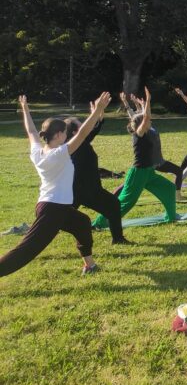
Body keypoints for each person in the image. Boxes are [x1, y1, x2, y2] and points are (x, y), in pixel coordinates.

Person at [1, 93, 110, 278]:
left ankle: (90, 266)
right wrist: (98, 110)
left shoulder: (38, 151)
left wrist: (25, 109)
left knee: (82, 223)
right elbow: (83, 133)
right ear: (58, 135)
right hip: (53, 210)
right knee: (26, 250)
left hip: (52, 206)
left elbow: (32, 132)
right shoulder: (60, 154)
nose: (67, 136)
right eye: (65, 134)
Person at [93, 88, 178, 229]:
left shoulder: (146, 132)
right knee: (126, 202)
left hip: (149, 172)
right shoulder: (139, 134)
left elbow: (145, 118)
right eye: (146, 121)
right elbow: (146, 118)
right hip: (138, 173)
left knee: (169, 188)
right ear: (141, 125)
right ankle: (100, 222)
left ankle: (171, 217)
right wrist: (149, 101)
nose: (149, 122)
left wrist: (144, 105)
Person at [66, 103, 128, 245]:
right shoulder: (77, 145)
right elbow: (90, 131)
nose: (84, 125)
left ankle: (118, 239)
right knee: (113, 205)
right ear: (76, 132)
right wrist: (97, 113)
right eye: (80, 124)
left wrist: (99, 114)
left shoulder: (78, 143)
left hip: (81, 189)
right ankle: (118, 239)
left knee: (113, 205)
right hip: (85, 189)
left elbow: (93, 130)